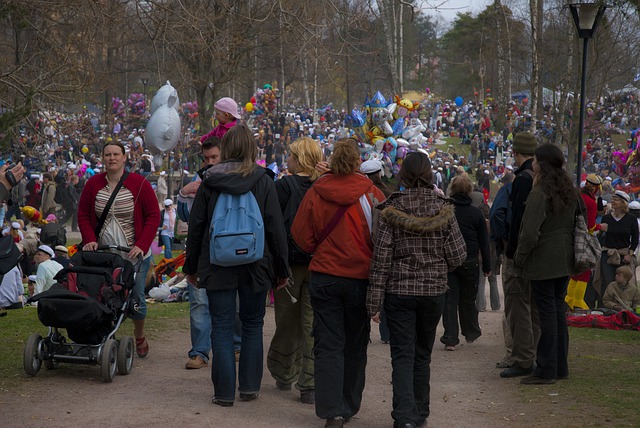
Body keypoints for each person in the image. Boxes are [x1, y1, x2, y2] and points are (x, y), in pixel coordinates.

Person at [183, 124, 289, 407]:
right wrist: (282, 270)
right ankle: (250, 388)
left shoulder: (209, 182)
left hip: (218, 263)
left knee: (221, 325)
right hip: (257, 263)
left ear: (227, 148)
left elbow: (197, 228)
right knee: (253, 324)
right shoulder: (263, 181)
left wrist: (191, 267)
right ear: (252, 149)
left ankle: (224, 392)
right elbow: (275, 228)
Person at [368, 152, 467, 428]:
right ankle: (420, 413)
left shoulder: (391, 210)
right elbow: (459, 254)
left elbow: (381, 258)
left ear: (404, 175)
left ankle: (404, 417)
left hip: (399, 291)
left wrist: (374, 303)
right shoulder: (443, 209)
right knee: (422, 353)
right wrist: (436, 262)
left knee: (402, 354)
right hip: (433, 291)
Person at [291, 138, 385, 428]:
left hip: (326, 276)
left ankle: (332, 410)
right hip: (359, 279)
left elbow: (301, 236)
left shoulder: (317, 191)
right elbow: (381, 240)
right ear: (358, 162)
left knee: (328, 343)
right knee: (355, 343)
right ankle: (348, 403)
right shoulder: (373, 195)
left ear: (332, 161)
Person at [78, 140, 160, 358]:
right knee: (104, 295)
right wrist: (89, 239)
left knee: (136, 298)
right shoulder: (93, 184)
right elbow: (84, 215)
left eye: (116, 154)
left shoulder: (138, 183)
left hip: (134, 254)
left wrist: (142, 245)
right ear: (102, 158)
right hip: (105, 254)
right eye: (107, 154)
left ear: (125, 157)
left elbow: (153, 216)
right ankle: (108, 334)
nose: (112, 158)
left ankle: (139, 334)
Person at [514, 143, 577, 385]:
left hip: (544, 261)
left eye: (536, 160)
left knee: (548, 313)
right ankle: (560, 366)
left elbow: (529, 233)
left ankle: (547, 369)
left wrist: (520, 258)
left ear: (543, 164)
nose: (533, 163)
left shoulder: (540, 193)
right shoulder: (568, 191)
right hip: (564, 260)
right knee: (558, 311)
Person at [267, 137, 322, 405]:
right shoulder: (324, 186)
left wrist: (276, 266)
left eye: (290, 155)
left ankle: (284, 372)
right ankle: (309, 384)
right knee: (312, 324)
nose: (286, 159)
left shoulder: (282, 188)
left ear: (299, 158)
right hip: (320, 264)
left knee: (287, 322)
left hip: (289, 265)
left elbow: (274, 229)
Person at [500, 131, 539, 378]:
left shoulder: (523, 179)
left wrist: (511, 251)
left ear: (516, 153)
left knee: (518, 306)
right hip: (538, 254)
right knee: (533, 307)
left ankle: (523, 359)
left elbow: (519, 222)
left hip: (521, 252)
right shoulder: (541, 176)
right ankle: (532, 354)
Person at [441, 173, 490, 351]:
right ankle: (470, 331)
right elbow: (484, 242)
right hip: (470, 260)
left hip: (449, 262)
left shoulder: (445, 211)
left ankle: (450, 338)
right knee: (468, 299)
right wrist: (487, 266)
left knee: (450, 300)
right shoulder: (476, 213)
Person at [568, 174, 607, 310]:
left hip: (572, 237)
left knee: (574, 272)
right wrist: (601, 227)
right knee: (584, 272)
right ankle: (577, 300)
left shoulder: (578, 196)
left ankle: (569, 298)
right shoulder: (590, 202)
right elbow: (590, 226)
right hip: (584, 240)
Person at [599, 190, 638, 306]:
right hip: (608, 254)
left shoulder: (631, 219)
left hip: (623, 255)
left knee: (623, 282)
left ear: (623, 203)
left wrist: (629, 254)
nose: (613, 201)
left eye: (616, 199)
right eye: (613, 199)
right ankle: (606, 307)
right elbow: (601, 238)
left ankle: (623, 307)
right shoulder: (606, 218)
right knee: (607, 281)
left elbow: (635, 238)